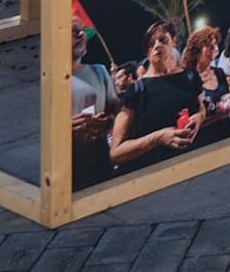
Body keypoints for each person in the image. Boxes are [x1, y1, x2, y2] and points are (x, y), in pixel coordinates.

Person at [108, 21, 206, 172]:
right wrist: (158, 138)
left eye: (163, 39)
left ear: (173, 40)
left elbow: (201, 107)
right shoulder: (137, 91)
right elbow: (116, 153)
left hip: (196, 165)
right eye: (151, 44)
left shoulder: (190, 77)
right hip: (156, 175)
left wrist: (199, 117)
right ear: (147, 53)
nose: (157, 46)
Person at [70, 22, 121, 186]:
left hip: (99, 161)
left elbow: (114, 109)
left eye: (82, 30)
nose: (80, 35)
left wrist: (107, 121)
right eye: (73, 31)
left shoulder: (99, 71)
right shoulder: (48, 78)